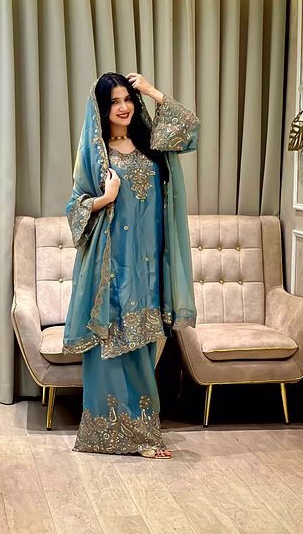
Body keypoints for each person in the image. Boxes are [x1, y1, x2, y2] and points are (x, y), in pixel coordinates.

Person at [64, 72, 200, 459]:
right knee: (110, 346)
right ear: (101, 109)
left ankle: (143, 433)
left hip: (149, 266)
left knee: (141, 347)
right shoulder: (96, 153)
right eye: (114, 102)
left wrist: (153, 92)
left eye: (127, 99)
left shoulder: (152, 143)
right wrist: (105, 198)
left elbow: (188, 129)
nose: (123, 107)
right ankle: (111, 434)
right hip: (110, 267)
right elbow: (75, 209)